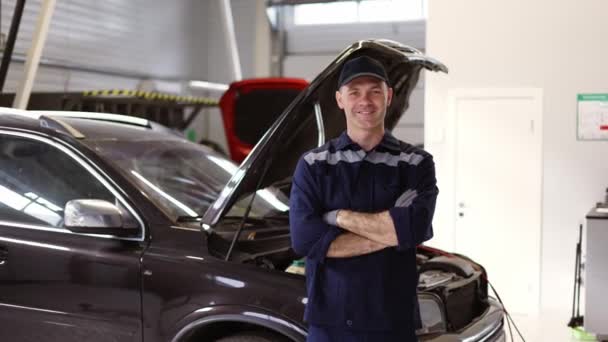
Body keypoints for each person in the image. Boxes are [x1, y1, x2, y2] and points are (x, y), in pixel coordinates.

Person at [289, 56, 439, 342]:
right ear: (339, 99)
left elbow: (415, 228)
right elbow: (305, 241)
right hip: (330, 323)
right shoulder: (314, 164)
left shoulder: (416, 163)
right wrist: (393, 233)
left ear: (389, 96)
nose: (365, 101)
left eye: (374, 91)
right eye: (354, 92)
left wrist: (337, 217)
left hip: (393, 321)